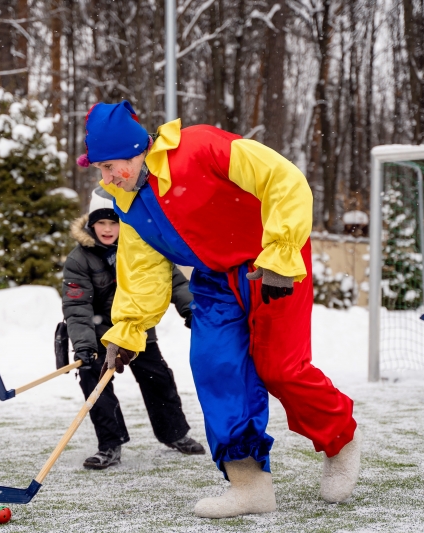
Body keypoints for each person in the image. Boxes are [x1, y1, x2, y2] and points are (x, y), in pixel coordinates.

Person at [76, 101, 360, 518]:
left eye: (111, 166)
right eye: (99, 169)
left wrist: (281, 251)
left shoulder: (201, 147)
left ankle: (341, 440)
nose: (106, 178)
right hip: (215, 279)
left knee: (280, 368)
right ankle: (249, 486)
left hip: (273, 265)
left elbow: (282, 178)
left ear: (138, 150)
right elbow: (142, 271)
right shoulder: (127, 202)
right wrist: (129, 330)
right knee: (215, 368)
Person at [62, 186, 205, 470]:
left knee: (159, 379)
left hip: (138, 331)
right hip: (99, 336)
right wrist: (84, 346)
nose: (107, 229)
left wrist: (191, 310)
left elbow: (172, 280)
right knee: (95, 383)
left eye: (113, 222)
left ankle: (175, 434)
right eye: (100, 223)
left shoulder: (142, 246)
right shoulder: (79, 260)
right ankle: (110, 445)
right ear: (91, 224)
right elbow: (77, 307)